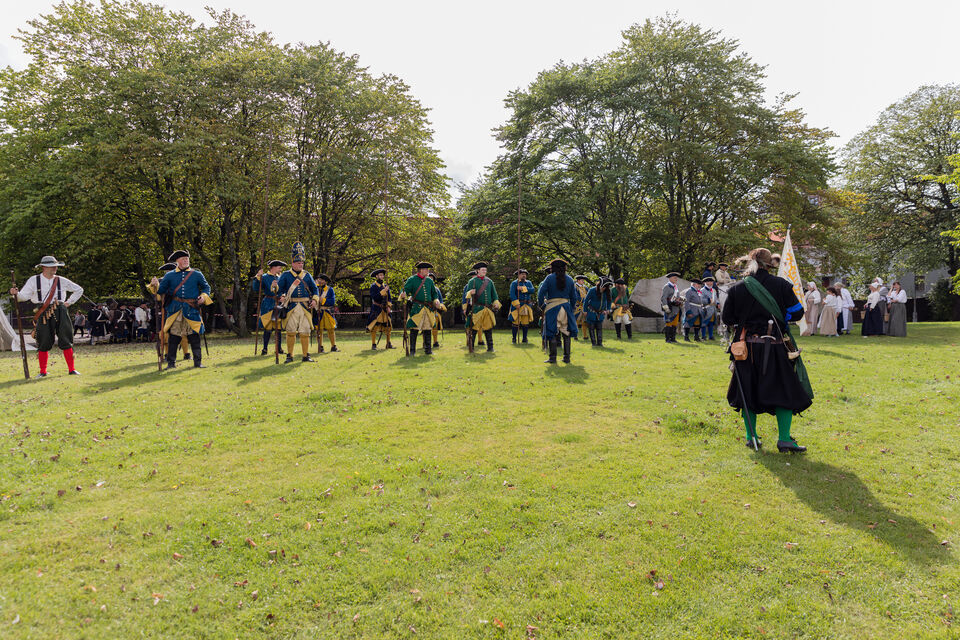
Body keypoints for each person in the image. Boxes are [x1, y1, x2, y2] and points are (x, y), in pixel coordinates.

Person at [722, 247, 812, 453]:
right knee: (784, 391)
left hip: (747, 349)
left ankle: (751, 437)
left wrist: (746, 319)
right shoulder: (781, 285)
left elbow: (727, 318)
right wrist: (780, 317)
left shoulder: (737, 288)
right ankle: (784, 440)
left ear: (750, 263)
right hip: (776, 347)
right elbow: (797, 313)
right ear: (769, 265)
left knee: (748, 391)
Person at [10, 255, 84, 377]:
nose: (55, 268)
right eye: (51, 266)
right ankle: (43, 371)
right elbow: (23, 297)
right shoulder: (34, 280)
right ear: (43, 267)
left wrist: (68, 303)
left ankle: (72, 369)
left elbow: (79, 290)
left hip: (60, 310)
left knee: (66, 339)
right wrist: (16, 294)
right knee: (43, 340)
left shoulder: (61, 280)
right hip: (43, 311)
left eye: (55, 266)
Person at [151, 249, 213, 369]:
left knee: (194, 336)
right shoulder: (169, 275)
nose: (186, 261)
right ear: (177, 261)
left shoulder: (197, 274)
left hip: (191, 309)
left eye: (187, 259)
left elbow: (206, 287)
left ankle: (198, 362)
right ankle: (171, 363)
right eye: (183, 259)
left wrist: (204, 296)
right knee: (174, 337)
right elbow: (161, 291)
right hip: (175, 310)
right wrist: (155, 285)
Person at [276, 243, 319, 363]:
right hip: (291, 307)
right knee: (290, 332)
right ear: (293, 263)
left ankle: (306, 355)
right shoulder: (285, 275)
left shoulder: (307, 275)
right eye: (299, 263)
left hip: (305, 307)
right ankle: (290, 355)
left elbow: (315, 289)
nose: (301, 265)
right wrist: (281, 295)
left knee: (305, 332)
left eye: (302, 263)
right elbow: (279, 290)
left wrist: (315, 300)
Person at [536, 258, 579, 363]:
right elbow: (574, 297)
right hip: (566, 308)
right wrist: (571, 308)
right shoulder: (570, 279)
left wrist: (542, 305)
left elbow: (541, 293)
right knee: (566, 332)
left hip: (552, 308)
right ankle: (567, 358)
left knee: (552, 332)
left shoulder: (549, 278)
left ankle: (552, 358)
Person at [147, 262, 192, 361]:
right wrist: (154, 286)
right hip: (166, 310)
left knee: (182, 332)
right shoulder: (161, 281)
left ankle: (186, 353)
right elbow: (158, 297)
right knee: (165, 334)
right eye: (167, 271)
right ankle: (167, 354)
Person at [400, 261, 442, 356]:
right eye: (426, 269)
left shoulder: (429, 281)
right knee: (414, 329)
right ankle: (412, 351)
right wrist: (403, 294)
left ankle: (428, 350)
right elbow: (405, 290)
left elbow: (434, 294)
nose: (428, 271)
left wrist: (436, 300)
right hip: (417, 308)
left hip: (428, 308)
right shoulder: (412, 279)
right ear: (421, 270)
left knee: (427, 329)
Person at [250, 260, 286, 355]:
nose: (281, 269)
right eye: (279, 267)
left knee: (278, 327)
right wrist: (258, 277)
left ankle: (279, 348)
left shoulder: (280, 277)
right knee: (268, 327)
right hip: (268, 303)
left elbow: (283, 289)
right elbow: (256, 288)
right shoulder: (265, 277)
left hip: (278, 303)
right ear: (273, 267)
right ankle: (265, 348)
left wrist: (283, 296)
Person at [464, 262, 501, 353]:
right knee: (474, 329)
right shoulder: (472, 281)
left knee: (488, 328)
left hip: (487, 309)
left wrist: (496, 303)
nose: (484, 271)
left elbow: (494, 296)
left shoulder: (489, 281)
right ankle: (471, 347)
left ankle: (490, 347)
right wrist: (470, 293)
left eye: (485, 270)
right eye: (483, 270)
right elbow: (467, 295)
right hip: (477, 309)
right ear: (478, 271)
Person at [366, 268, 394, 350]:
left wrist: (389, 306)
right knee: (374, 326)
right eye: (380, 275)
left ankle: (388, 343)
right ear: (376, 276)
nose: (382, 277)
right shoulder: (373, 286)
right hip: (376, 309)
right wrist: (383, 291)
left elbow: (389, 298)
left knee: (388, 327)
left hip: (385, 309)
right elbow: (374, 297)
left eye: (383, 275)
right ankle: (373, 344)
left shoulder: (385, 286)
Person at [583, 276, 613, 347]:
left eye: (605, 287)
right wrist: (585, 310)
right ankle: (593, 343)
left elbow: (609, 301)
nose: (604, 288)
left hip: (601, 313)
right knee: (591, 328)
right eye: (603, 287)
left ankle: (600, 343)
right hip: (591, 312)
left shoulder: (607, 291)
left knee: (599, 328)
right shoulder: (592, 290)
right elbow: (586, 301)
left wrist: (608, 309)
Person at [509, 269, 536, 344]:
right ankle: (514, 339)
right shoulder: (514, 283)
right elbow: (512, 294)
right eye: (522, 274)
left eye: (525, 274)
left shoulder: (529, 282)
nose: (524, 275)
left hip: (526, 305)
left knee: (525, 323)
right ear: (518, 275)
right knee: (515, 322)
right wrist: (516, 303)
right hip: (518, 305)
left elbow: (532, 290)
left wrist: (523, 288)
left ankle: (525, 339)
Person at [315, 273, 338, 352]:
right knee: (319, 330)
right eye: (319, 279)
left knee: (331, 329)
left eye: (321, 280)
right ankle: (320, 347)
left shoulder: (330, 290)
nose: (319, 281)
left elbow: (332, 301)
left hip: (327, 312)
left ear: (325, 281)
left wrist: (323, 300)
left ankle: (333, 346)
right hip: (318, 311)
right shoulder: (315, 289)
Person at [461, 270, 483, 347]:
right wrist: (465, 308)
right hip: (470, 306)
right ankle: (468, 340)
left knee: (480, 323)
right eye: (473, 277)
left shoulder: (482, 285)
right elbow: (464, 298)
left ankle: (480, 340)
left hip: (479, 306)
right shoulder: (467, 286)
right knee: (468, 324)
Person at [660, 272, 682, 344]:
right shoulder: (667, 286)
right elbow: (664, 298)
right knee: (669, 322)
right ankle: (667, 339)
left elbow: (677, 297)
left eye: (676, 277)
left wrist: (680, 299)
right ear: (670, 278)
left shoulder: (675, 287)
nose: (676, 279)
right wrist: (665, 307)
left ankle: (673, 338)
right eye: (674, 277)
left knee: (675, 323)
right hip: (669, 307)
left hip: (676, 307)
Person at [427, 272, 448, 348]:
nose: (430, 280)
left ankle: (435, 342)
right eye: (429, 278)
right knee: (426, 327)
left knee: (435, 327)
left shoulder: (436, 289)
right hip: (426, 310)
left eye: (432, 279)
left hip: (435, 311)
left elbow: (441, 300)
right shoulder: (424, 289)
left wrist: (440, 306)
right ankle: (425, 342)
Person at [700, 276, 720, 341]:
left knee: (711, 323)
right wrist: (708, 300)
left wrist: (718, 303)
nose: (711, 283)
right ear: (705, 282)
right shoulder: (702, 290)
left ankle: (711, 336)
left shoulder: (713, 290)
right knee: (704, 322)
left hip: (713, 309)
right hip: (706, 309)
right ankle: (703, 336)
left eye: (711, 281)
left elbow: (716, 298)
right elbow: (700, 300)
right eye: (709, 281)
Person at [573, 275, 590, 339]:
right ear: (578, 280)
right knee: (577, 320)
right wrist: (584, 301)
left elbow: (588, 295)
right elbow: (576, 296)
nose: (583, 281)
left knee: (584, 321)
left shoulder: (585, 287)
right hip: (577, 306)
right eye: (582, 280)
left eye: (583, 280)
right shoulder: (574, 287)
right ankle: (575, 335)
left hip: (585, 306)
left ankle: (585, 335)